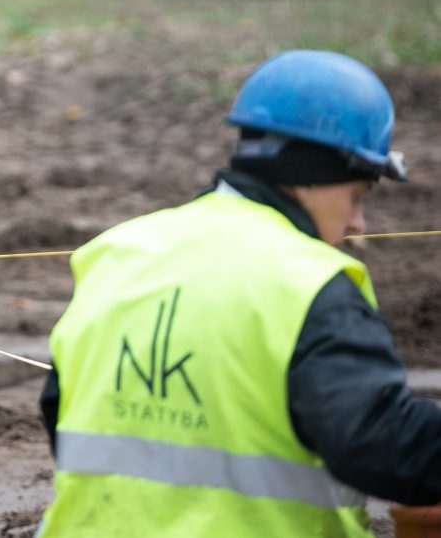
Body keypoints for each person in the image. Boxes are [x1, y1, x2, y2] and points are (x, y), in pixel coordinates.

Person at [37, 49, 441, 537]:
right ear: (313, 174)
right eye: (356, 197)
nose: (358, 224)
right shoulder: (309, 283)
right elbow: (381, 445)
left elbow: (61, 407)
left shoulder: (118, 250)